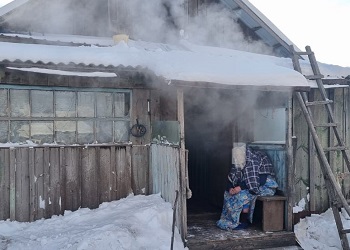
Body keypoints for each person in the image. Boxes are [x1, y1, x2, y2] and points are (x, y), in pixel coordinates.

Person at [216, 143, 278, 230]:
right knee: (228, 194)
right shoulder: (238, 162)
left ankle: (243, 221)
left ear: (244, 154)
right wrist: (230, 188)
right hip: (250, 185)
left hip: (265, 186)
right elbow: (232, 178)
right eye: (236, 155)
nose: (237, 157)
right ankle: (229, 219)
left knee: (242, 195)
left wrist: (240, 188)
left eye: (239, 155)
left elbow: (258, 182)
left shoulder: (253, 161)